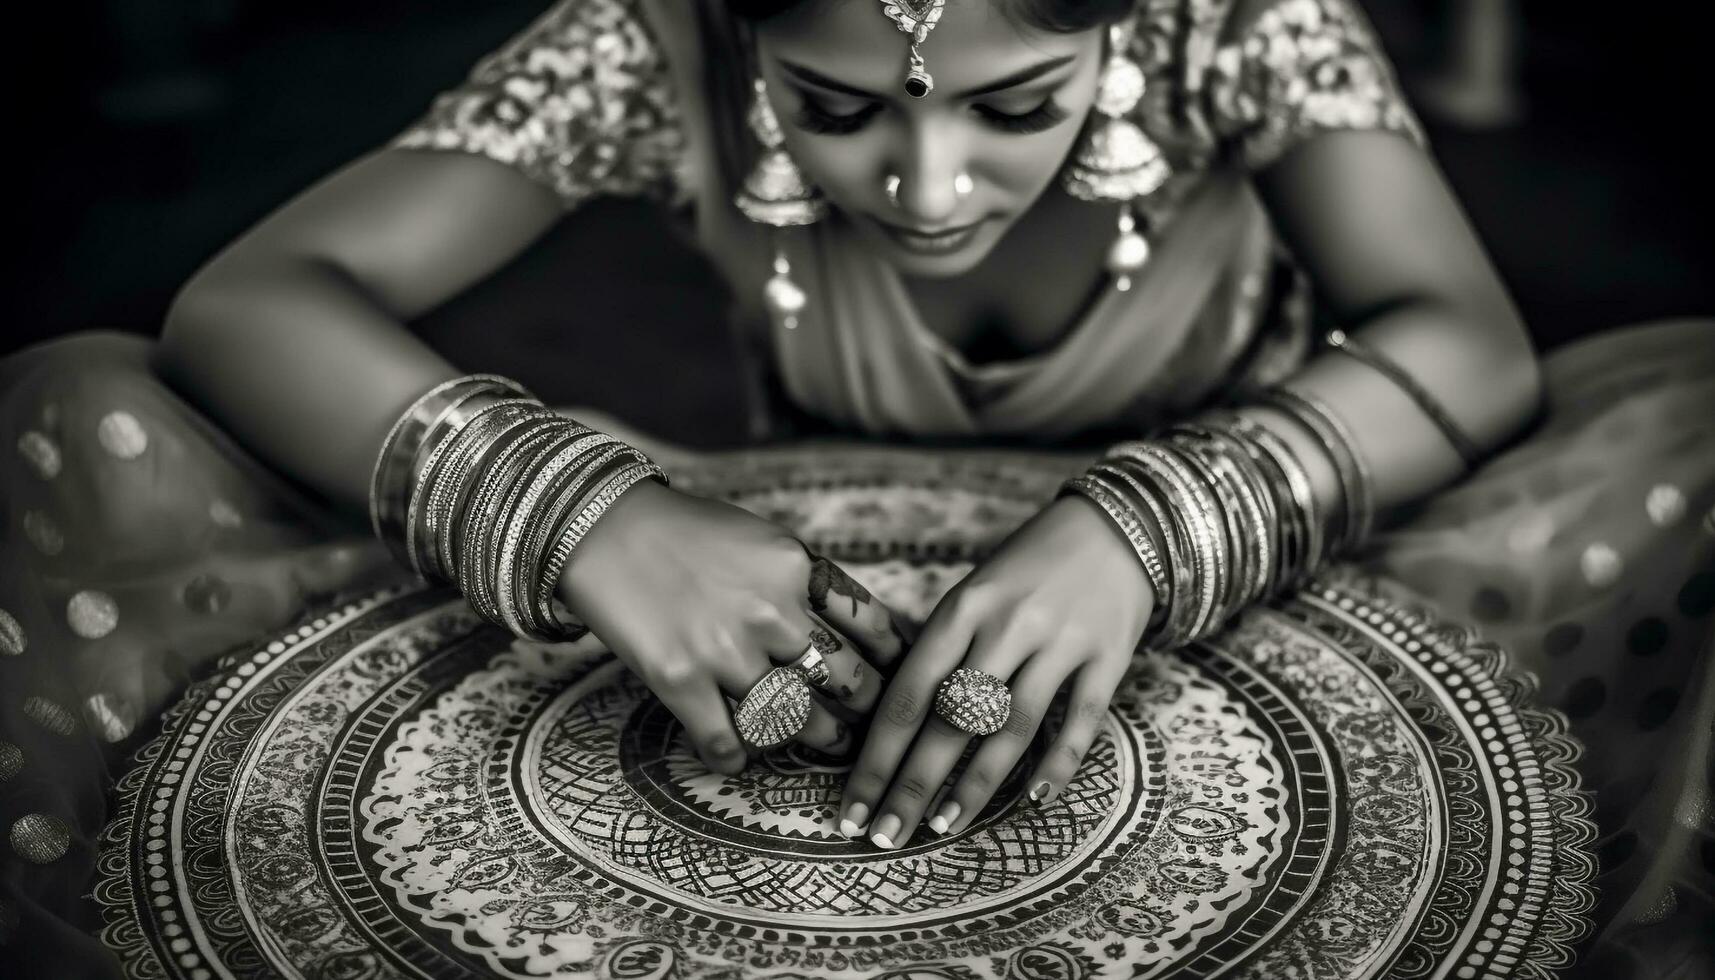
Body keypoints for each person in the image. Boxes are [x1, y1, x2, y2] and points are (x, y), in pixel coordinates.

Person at [0, 0, 1709, 976]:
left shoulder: (1237, 23)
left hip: (1259, 592)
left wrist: (1147, 528)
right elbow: (243, 306)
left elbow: (1465, 345)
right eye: (828, 108)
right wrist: (578, 513)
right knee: (75, 415)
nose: (924, 179)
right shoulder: (649, 41)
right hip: (786, 591)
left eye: (1020, 105)